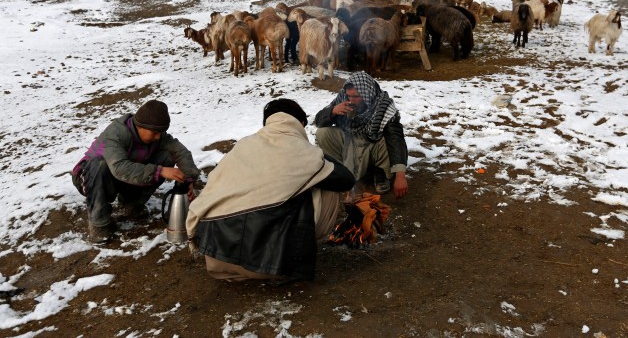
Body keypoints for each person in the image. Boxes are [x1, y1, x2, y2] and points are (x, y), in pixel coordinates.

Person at [187, 99, 354, 283]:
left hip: (218, 258)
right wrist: (317, 153)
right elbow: (346, 179)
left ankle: (236, 268)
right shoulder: (303, 151)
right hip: (270, 267)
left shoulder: (243, 145)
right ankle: (287, 264)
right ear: (300, 123)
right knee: (325, 184)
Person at [71, 99, 201, 243]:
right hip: (90, 177)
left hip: (122, 176)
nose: (158, 137)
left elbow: (180, 152)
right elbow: (120, 168)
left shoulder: (157, 134)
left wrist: (189, 180)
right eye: (155, 132)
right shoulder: (115, 133)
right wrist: (160, 171)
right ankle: (99, 223)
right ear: (140, 126)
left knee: (167, 156)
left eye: (161, 132)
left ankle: (131, 203)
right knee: (100, 164)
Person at [314, 72, 409, 199]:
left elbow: (396, 139)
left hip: (373, 144)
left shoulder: (383, 106)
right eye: (349, 96)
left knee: (387, 140)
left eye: (356, 96)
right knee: (323, 133)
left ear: (367, 93)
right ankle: (340, 169)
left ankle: (380, 172)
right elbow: (318, 121)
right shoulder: (343, 99)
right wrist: (332, 112)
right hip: (350, 141)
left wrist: (401, 176)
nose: (351, 100)